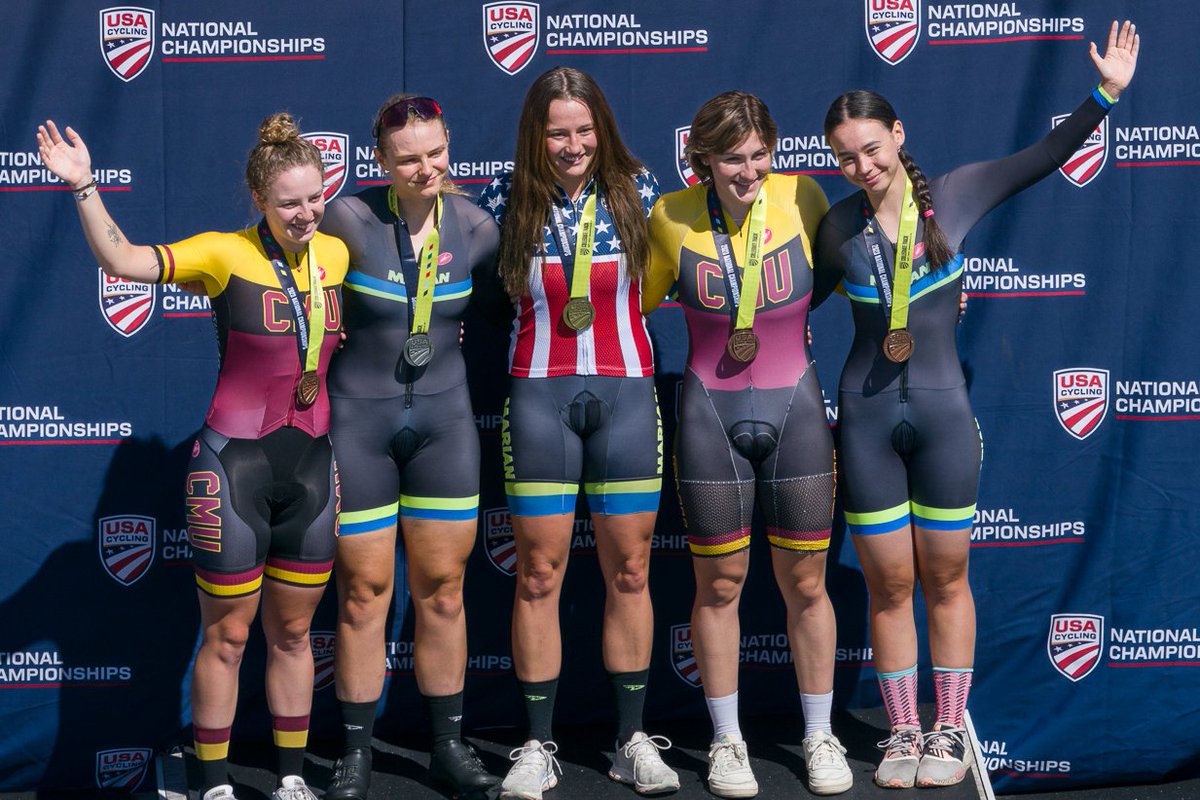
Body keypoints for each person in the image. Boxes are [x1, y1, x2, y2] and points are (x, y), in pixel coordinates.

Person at [813, 21, 1139, 790]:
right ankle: (901, 733)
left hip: (943, 419)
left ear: (898, 133)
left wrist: (1105, 95)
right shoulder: (834, 227)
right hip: (864, 426)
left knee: (947, 577)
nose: (862, 165)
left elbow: (1043, 158)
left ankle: (948, 730)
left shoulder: (955, 195)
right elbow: (780, 307)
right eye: (846, 157)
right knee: (891, 583)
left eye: (871, 147)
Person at [37, 114, 348, 800]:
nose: (304, 214)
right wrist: (85, 185)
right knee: (229, 638)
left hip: (313, 471)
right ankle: (212, 784)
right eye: (288, 202)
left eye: (314, 197)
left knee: (295, 635)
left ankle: (292, 777)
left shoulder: (336, 254)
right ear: (259, 200)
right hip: (233, 465)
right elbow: (122, 262)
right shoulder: (222, 252)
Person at [475, 66, 678, 799]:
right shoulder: (503, 199)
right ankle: (535, 745)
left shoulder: (641, 190)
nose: (573, 145)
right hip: (537, 400)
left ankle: (630, 740)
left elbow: (712, 265)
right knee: (537, 575)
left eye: (584, 130)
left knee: (630, 571)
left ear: (603, 129)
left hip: (627, 396)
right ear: (536, 132)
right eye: (558, 131)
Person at [643, 92, 851, 798]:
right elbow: (626, 304)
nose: (749, 171)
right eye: (733, 157)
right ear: (702, 157)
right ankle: (727, 742)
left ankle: (820, 735)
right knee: (719, 585)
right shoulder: (670, 216)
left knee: (807, 583)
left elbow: (854, 271)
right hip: (708, 414)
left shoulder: (805, 197)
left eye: (760, 154)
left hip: (794, 402)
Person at [320, 94, 502, 800]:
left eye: (434, 152)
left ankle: (449, 748)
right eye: (407, 159)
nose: (425, 168)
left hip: (445, 426)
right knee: (363, 595)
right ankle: (356, 754)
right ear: (380, 163)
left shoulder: (479, 229)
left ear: (449, 144)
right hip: (358, 425)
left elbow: (498, 314)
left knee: (444, 592)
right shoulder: (347, 219)